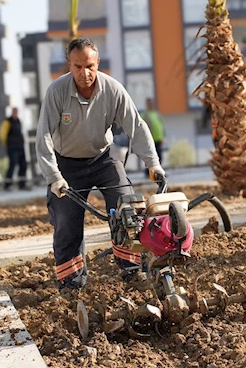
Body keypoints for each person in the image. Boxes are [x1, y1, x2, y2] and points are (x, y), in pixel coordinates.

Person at [35, 37, 164, 292]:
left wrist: (153, 164)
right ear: (69, 65)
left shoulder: (113, 90)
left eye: (91, 66)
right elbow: (44, 137)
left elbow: (136, 126)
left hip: (104, 158)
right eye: (78, 67)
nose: (86, 73)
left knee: (128, 208)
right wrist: (54, 177)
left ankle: (134, 273)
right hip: (67, 165)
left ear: (98, 63)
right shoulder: (57, 92)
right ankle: (71, 285)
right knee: (67, 224)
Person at [0, 107, 28, 190]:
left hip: (20, 146)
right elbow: (2, 134)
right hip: (12, 147)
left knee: (23, 164)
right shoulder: (7, 122)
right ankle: (7, 185)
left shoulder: (18, 121)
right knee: (12, 164)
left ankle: (22, 184)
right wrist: (7, 143)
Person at [140, 98, 165, 164]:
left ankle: (157, 172)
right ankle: (149, 171)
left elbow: (161, 125)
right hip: (150, 140)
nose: (150, 104)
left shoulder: (157, 114)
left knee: (159, 156)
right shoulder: (144, 115)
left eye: (151, 103)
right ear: (147, 104)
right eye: (149, 103)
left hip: (158, 139)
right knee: (151, 157)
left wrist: (163, 137)